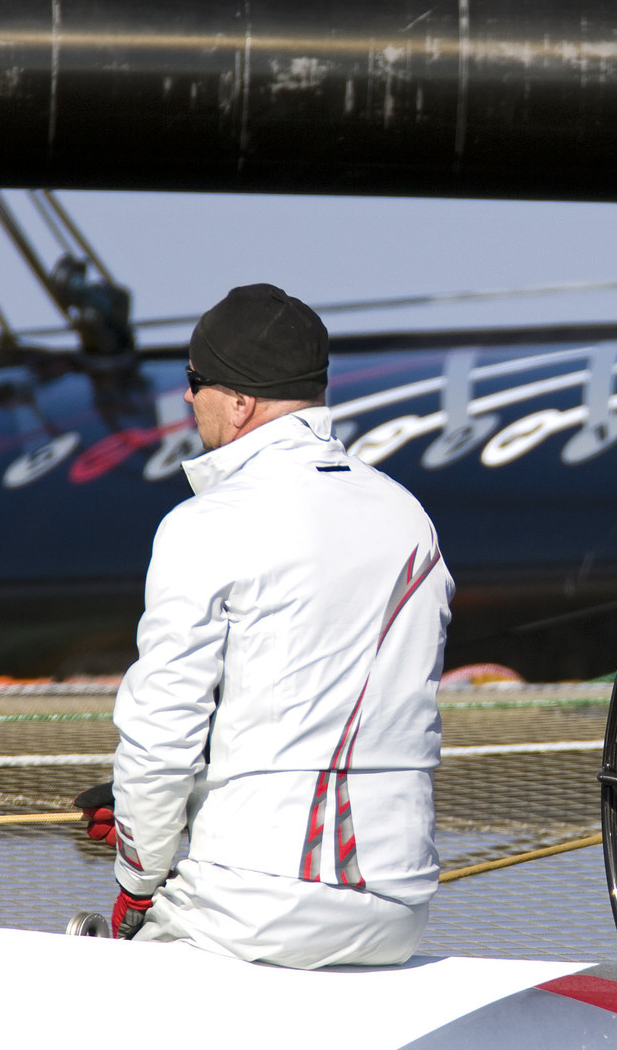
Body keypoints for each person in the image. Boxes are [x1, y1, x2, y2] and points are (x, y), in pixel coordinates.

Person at [78, 284, 453, 968]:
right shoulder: (408, 517)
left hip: (256, 907)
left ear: (240, 402)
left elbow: (162, 732)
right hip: (399, 906)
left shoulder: (207, 525)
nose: (187, 399)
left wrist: (139, 876)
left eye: (195, 382)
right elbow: (325, 704)